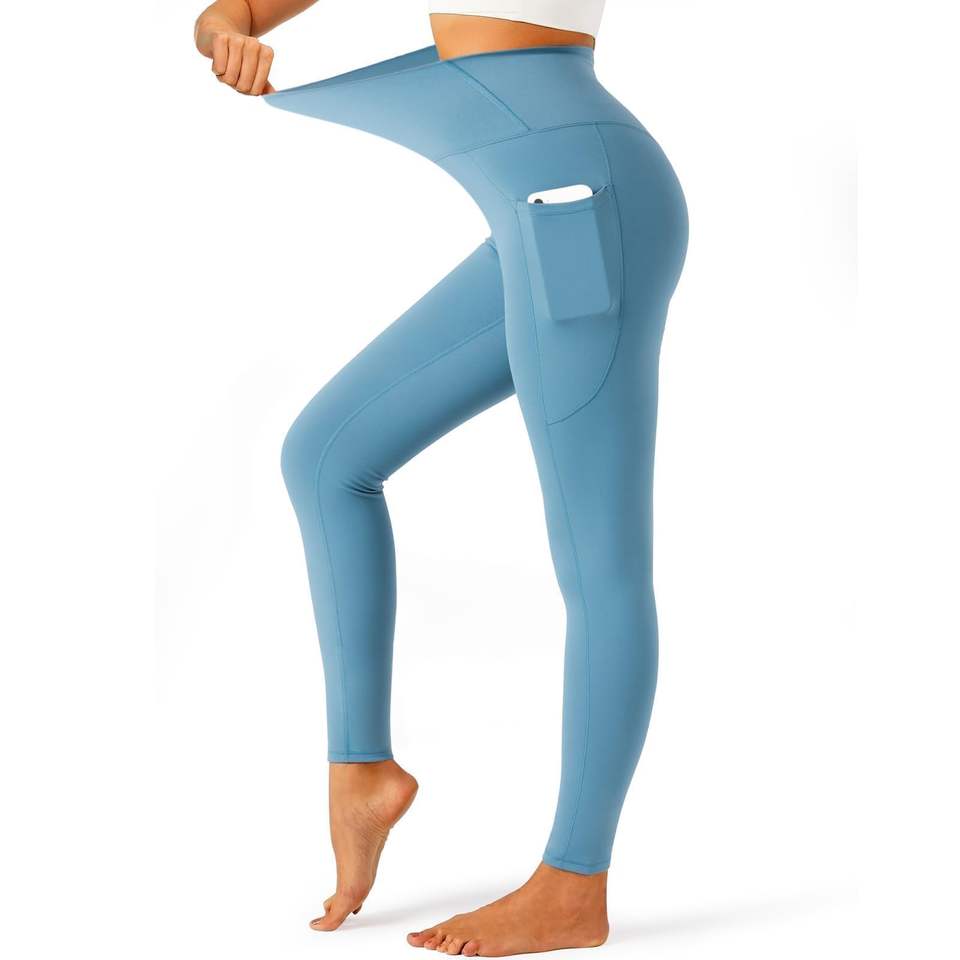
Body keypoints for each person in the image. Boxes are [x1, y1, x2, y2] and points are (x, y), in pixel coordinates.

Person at [193, 2, 688, 954]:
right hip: (544, 205)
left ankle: (573, 885)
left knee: (600, 563)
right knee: (326, 454)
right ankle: (362, 771)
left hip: (579, 205)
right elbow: (234, 13)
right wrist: (229, 41)